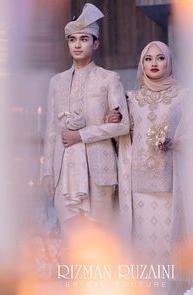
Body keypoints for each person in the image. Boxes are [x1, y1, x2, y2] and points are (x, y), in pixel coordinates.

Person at [42, 3, 129, 233]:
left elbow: (123, 124)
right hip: (65, 173)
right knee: (70, 240)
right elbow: (51, 130)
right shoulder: (56, 82)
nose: (77, 44)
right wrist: (48, 172)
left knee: (99, 240)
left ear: (96, 43)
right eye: (72, 39)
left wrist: (80, 135)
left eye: (84, 38)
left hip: (99, 170)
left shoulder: (109, 79)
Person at [107, 41, 187, 266]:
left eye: (160, 58)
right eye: (148, 58)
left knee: (167, 242)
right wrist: (112, 121)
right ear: (141, 64)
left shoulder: (183, 96)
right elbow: (122, 136)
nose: (154, 63)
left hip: (170, 180)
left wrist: (176, 142)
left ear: (169, 62)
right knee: (142, 244)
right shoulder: (131, 99)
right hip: (137, 183)